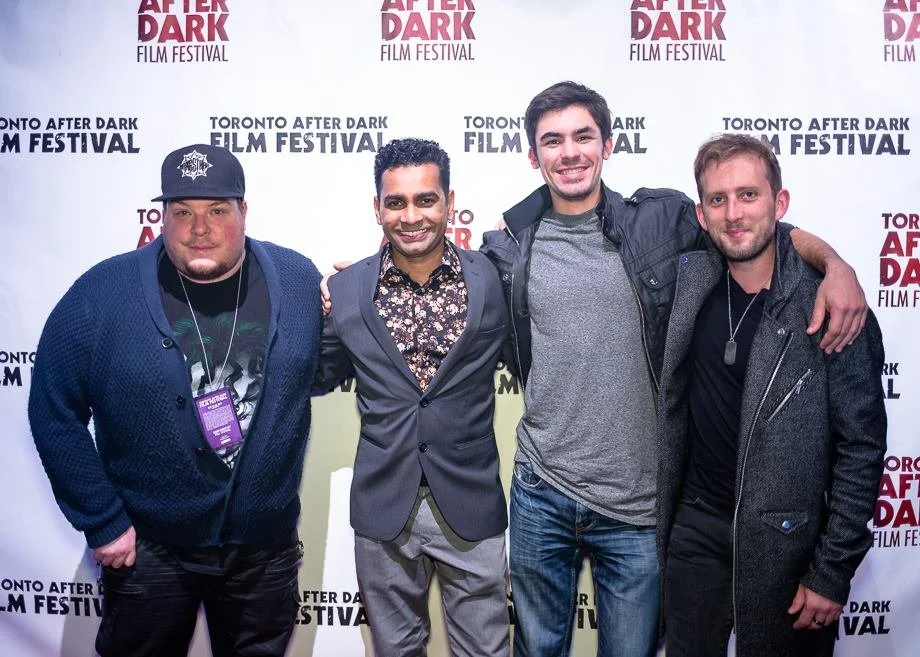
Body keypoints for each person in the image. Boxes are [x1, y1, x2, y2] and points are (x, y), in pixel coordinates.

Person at [478, 81, 869, 657]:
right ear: (533, 157)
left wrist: (836, 264)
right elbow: (441, 275)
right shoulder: (509, 248)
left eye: (584, 136)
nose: (570, 153)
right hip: (542, 492)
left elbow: (751, 231)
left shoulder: (662, 222)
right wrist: (354, 282)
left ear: (608, 144)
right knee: (535, 649)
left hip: (641, 506)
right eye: (552, 141)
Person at [28, 144, 323, 657]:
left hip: (263, 552)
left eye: (216, 211)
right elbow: (53, 407)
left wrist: (361, 293)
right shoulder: (103, 293)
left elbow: (330, 366)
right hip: (148, 552)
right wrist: (102, 519)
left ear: (244, 212)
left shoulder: (297, 281)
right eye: (182, 212)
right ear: (161, 217)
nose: (198, 227)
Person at [656, 133, 887, 657]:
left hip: (786, 541)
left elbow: (862, 447)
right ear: (701, 213)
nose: (733, 213)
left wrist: (831, 572)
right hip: (695, 529)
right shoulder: (689, 281)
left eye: (748, 195)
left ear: (779, 204)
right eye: (718, 199)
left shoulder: (830, 306)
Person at [313, 138, 511, 657]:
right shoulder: (349, 289)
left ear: (449, 201)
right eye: (395, 202)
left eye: (426, 199)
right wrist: (304, 303)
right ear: (377, 207)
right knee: (396, 650)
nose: (411, 215)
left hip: (470, 502)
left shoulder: (493, 278)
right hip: (384, 506)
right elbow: (315, 372)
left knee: (486, 651)